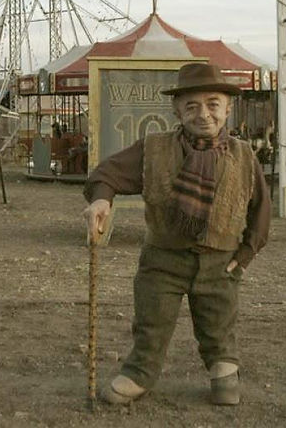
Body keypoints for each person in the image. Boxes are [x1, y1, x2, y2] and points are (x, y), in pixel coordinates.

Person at [83, 63, 271, 406]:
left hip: (220, 261)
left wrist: (244, 255)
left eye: (213, 104)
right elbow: (106, 173)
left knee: (218, 325)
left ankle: (224, 372)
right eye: (191, 106)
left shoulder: (244, 156)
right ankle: (139, 374)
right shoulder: (153, 148)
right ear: (176, 109)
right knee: (151, 321)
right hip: (162, 260)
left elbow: (261, 210)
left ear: (228, 108)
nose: (203, 114)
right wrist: (100, 201)